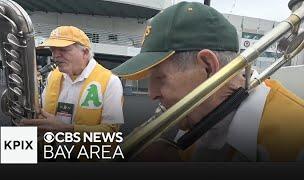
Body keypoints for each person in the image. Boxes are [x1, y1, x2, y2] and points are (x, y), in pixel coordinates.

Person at [112, 2, 304, 161]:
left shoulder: (296, 135)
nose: (151, 93)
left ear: (208, 67)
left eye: (160, 77)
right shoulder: (196, 119)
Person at [20, 26, 124, 145]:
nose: (55, 56)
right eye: (53, 50)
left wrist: (65, 129)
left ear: (84, 52)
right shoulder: (52, 76)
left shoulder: (110, 81)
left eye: (63, 50)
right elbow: (43, 115)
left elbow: (111, 133)